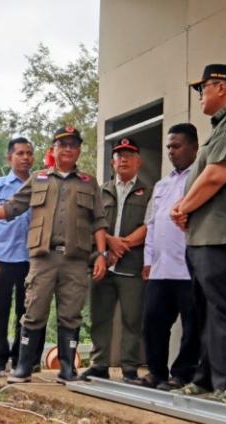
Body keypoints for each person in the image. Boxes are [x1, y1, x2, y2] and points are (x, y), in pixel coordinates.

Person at [0, 126, 108, 384]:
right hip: (42, 259)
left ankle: (67, 369)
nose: (68, 149)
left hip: (75, 259)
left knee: (71, 313)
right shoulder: (38, 178)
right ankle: (23, 367)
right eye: (63, 145)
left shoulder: (88, 182)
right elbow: (12, 207)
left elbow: (99, 221)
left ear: (79, 151)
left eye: (73, 145)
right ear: (54, 150)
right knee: (34, 310)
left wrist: (103, 254)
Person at [170, 64, 226, 404]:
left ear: (221, 87)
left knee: (224, 313)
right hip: (203, 237)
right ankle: (204, 378)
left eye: (203, 88)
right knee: (203, 313)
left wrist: (184, 206)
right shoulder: (220, 126)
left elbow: (217, 175)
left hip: (221, 237)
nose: (200, 95)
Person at [79, 137, 152, 382]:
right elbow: (90, 224)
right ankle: (99, 364)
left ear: (138, 161)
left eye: (129, 155)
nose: (124, 159)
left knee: (132, 319)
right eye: (119, 155)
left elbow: (150, 226)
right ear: (112, 162)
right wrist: (109, 242)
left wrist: (123, 245)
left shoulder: (149, 191)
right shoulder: (101, 192)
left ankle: (129, 368)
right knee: (100, 317)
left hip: (132, 266)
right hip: (102, 264)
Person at [138, 123, 201, 390]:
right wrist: (147, 260)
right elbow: (152, 224)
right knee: (153, 322)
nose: (171, 152)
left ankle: (182, 374)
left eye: (176, 146)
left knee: (192, 327)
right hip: (161, 268)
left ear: (194, 147)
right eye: (168, 147)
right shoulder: (162, 184)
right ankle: (156, 372)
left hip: (189, 268)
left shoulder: (198, 179)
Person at [0, 138, 38, 377]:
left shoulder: (41, 184)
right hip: (1, 257)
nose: (25, 158)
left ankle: (21, 359)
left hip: (31, 258)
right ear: (10, 158)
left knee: (25, 312)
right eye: (20, 153)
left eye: (29, 153)